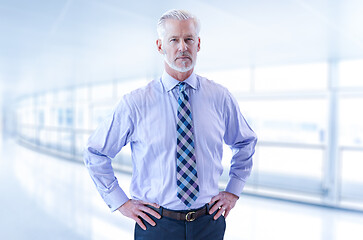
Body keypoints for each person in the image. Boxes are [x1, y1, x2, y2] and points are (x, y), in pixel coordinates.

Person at [84, 9, 257, 240]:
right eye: (173, 40)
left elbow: (245, 142)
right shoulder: (135, 103)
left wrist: (233, 192)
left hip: (209, 224)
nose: (182, 47)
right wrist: (121, 202)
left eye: (189, 39)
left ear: (198, 44)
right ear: (160, 46)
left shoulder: (220, 97)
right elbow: (96, 153)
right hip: (156, 225)